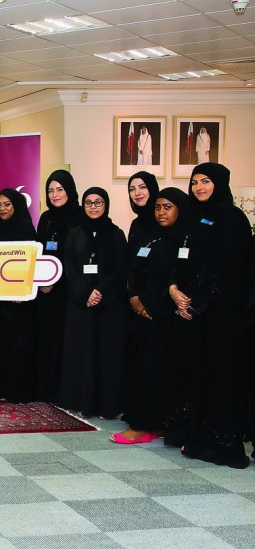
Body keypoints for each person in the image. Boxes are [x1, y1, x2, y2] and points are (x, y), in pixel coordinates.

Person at [166, 163, 251, 469]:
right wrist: (174, 290)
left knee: (218, 376)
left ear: (220, 183)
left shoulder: (233, 220)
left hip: (219, 315)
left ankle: (220, 444)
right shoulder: (190, 219)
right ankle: (193, 436)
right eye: (195, 182)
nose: (199, 187)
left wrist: (196, 302)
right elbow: (180, 257)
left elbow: (225, 268)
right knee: (193, 373)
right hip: (189, 310)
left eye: (205, 182)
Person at [115, 187, 188, 444]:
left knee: (155, 372)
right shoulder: (151, 236)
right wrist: (134, 298)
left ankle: (146, 426)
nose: (161, 212)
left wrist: (149, 305)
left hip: (162, 317)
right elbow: (133, 269)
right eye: (157, 207)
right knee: (141, 369)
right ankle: (147, 423)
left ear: (180, 208)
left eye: (167, 207)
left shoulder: (183, 240)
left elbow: (173, 278)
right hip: (140, 313)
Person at [60, 188, 127, 419]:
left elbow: (120, 269)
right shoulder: (74, 233)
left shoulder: (116, 234)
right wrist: (86, 293)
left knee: (105, 355)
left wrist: (100, 292)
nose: (93, 206)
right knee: (81, 353)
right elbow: (69, 268)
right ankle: (82, 401)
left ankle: (106, 405)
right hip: (80, 305)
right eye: (88, 202)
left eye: (98, 202)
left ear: (106, 204)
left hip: (108, 306)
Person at [0, 188, 39, 404]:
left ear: (17, 205)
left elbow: (29, 264)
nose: (2, 209)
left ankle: (12, 388)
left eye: (7, 204)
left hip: (14, 301)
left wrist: (22, 291)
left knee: (13, 344)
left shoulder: (25, 229)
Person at [33, 170, 81, 402]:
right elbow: (38, 250)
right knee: (45, 338)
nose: (55, 194)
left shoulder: (80, 216)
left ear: (69, 191)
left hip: (69, 290)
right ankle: (45, 388)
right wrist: (43, 281)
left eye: (60, 189)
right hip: (44, 290)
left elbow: (78, 257)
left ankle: (64, 391)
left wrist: (56, 281)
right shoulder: (46, 217)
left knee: (66, 340)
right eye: (51, 190)